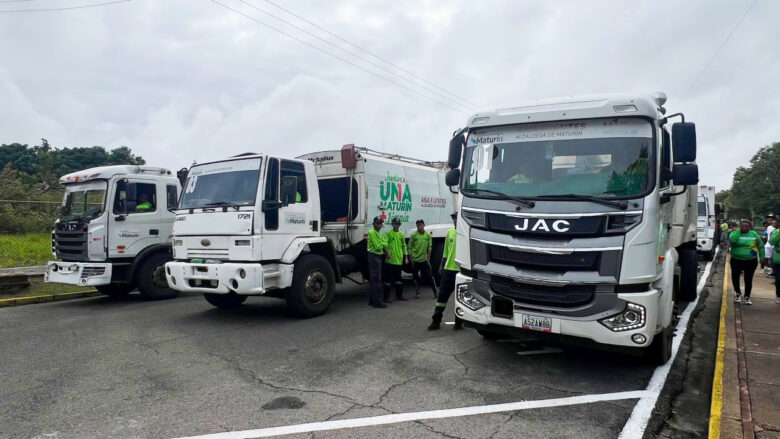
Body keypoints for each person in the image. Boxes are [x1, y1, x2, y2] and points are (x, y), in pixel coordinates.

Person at [428, 213, 463, 331]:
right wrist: (442, 265)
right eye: (453, 219)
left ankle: (459, 323)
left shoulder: (466, 233)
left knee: (460, 298)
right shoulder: (450, 233)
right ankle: (436, 321)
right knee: (442, 297)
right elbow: (446, 252)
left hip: (461, 271)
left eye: (456, 218)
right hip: (449, 269)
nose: (454, 220)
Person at [729, 219, 765, 305]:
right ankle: (738, 294)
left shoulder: (754, 234)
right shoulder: (734, 233)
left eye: (746, 226)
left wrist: (762, 257)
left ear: (750, 227)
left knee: (748, 279)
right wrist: (738, 231)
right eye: (742, 226)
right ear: (739, 226)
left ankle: (747, 296)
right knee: (735, 277)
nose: (744, 228)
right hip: (736, 260)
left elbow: (760, 246)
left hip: (751, 260)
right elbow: (733, 240)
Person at [408, 219, 437, 298]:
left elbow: (429, 247)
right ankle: (418, 293)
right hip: (415, 260)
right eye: (417, 225)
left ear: (424, 225)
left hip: (424, 259)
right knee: (415, 276)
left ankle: (435, 292)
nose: (419, 227)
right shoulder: (414, 235)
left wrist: (428, 259)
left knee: (430, 276)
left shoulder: (427, 235)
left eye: (420, 225)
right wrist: (411, 258)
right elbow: (409, 246)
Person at [367, 216, 391, 308]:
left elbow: (383, 243)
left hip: (376, 256)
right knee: (377, 279)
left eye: (380, 223)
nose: (379, 225)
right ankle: (377, 302)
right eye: (378, 223)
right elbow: (378, 246)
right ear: (374, 224)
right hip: (374, 256)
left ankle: (372, 300)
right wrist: (384, 244)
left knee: (374, 279)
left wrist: (384, 244)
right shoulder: (372, 232)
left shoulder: (378, 232)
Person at [383, 218, 409, 302]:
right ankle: (386, 297)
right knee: (388, 280)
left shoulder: (401, 234)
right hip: (390, 261)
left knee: (399, 279)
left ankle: (399, 296)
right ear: (392, 224)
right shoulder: (389, 233)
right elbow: (384, 244)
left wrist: (406, 257)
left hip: (399, 261)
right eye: (395, 224)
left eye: (398, 224)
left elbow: (404, 246)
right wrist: (387, 252)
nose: (396, 225)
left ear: (400, 225)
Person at [767, 227, 780, 304]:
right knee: (778, 280)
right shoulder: (777, 231)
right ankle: (778, 295)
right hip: (778, 260)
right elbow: (771, 242)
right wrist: (778, 234)